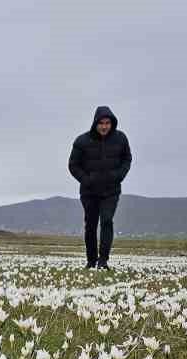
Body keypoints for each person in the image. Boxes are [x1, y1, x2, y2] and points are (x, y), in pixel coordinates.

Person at [68, 106, 132, 269]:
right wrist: (86, 180)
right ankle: (91, 261)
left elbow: (127, 159)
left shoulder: (121, 139)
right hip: (89, 192)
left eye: (107, 123)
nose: (104, 126)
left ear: (112, 123)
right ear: (95, 123)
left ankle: (103, 261)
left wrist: (118, 176)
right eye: (101, 123)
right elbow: (73, 165)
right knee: (90, 224)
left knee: (107, 221)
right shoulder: (82, 141)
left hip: (111, 191)